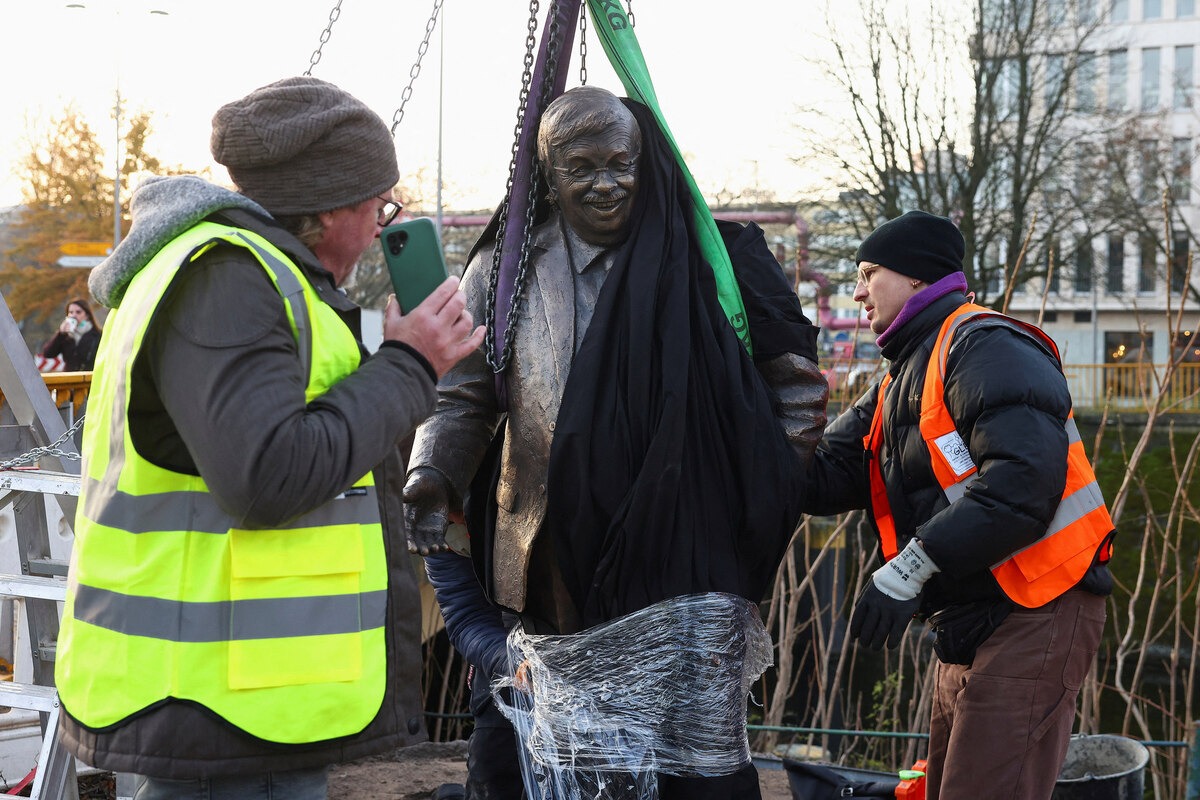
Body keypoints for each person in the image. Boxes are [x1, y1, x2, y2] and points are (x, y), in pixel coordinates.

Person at [54, 76, 484, 800]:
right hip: (215, 699)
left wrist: (392, 352)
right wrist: (411, 364)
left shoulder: (260, 279)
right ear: (328, 207)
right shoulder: (226, 279)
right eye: (379, 205)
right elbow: (268, 474)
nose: (385, 225)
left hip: (244, 699)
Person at [405, 86, 828, 800]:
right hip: (546, 575)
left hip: (685, 575)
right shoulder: (503, 274)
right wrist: (433, 475)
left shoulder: (710, 260)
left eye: (620, 163)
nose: (606, 184)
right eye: (582, 167)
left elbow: (797, 390)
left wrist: (752, 505)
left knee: (692, 777)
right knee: (526, 771)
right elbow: (462, 396)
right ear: (549, 175)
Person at [802, 210, 1115, 800]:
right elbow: (820, 478)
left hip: (1039, 603)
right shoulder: (901, 378)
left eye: (869, 272)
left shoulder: (986, 345)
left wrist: (910, 567)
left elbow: (1023, 485)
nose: (858, 290)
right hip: (981, 612)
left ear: (917, 277)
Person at [41, 297, 102, 371]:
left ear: (87, 315)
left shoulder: (97, 335)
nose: (74, 315)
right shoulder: (65, 336)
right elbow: (48, 354)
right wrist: (61, 334)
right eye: (71, 312)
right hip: (69, 379)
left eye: (78, 312)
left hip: (90, 378)